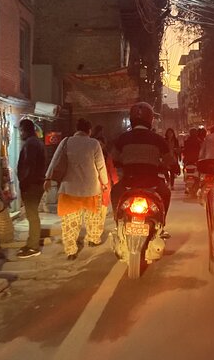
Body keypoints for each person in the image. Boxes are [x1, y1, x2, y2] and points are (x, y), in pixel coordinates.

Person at [44, 118, 108, 261]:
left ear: (77, 129)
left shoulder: (66, 141)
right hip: (91, 189)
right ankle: (93, 239)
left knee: (70, 222)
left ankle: (71, 250)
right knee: (93, 217)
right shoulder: (94, 143)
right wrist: (105, 182)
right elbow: (101, 165)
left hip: (69, 189)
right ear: (89, 130)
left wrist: (48, 178)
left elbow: (55, 160)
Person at [110, 102, 174, 230]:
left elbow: (114, 158)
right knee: (166, 193)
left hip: (128, 181)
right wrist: (162, 165)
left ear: (131, 119)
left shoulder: (122, 138)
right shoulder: (158, 139)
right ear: (150, 119)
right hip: (152, 182)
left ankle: (117, 221)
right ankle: (161, 224)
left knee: (115, 192)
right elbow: (169, 160)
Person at [16, 118, 46, 259]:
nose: (20, 134)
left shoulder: (31, 144)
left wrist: (24, 183)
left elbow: (28, 166)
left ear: (24, 130)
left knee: (32, 216)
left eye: (21, 131)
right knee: (32, 215)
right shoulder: (36, 142)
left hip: (32, 184)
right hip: (36, 183)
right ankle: (31, 243)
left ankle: (33, 246)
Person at [92, 125, 118, 240]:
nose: (99, 146)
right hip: (94, 186)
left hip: (104, 187)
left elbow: (112, 170)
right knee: (94, 212)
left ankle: (96, 234)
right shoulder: (91, 155)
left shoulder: (106, 156)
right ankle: (94, 234)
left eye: (101, 144)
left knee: (101, 211)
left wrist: (116, 182)